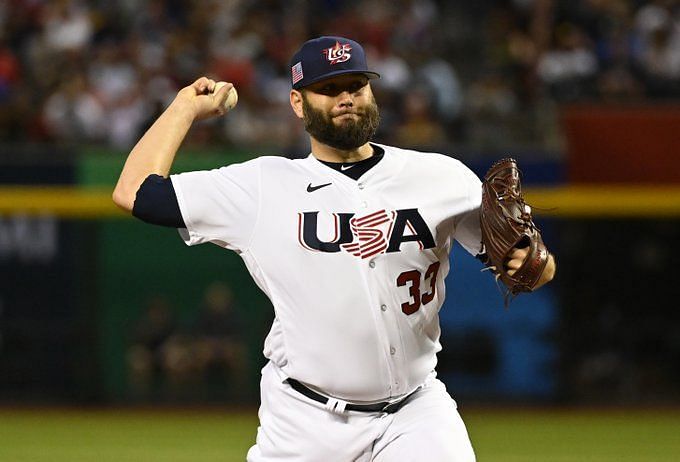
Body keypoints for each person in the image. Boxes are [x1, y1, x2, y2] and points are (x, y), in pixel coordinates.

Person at [113, 36, 556, 462]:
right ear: (297, 103)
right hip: (305, 421)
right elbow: (135, 191)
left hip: (415, 411)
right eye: (327, 89)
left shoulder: (440, 177)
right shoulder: (262, 186)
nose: (346, 97)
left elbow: (531, 264)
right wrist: (185, 107)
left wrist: (533, 263)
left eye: (355, 85)